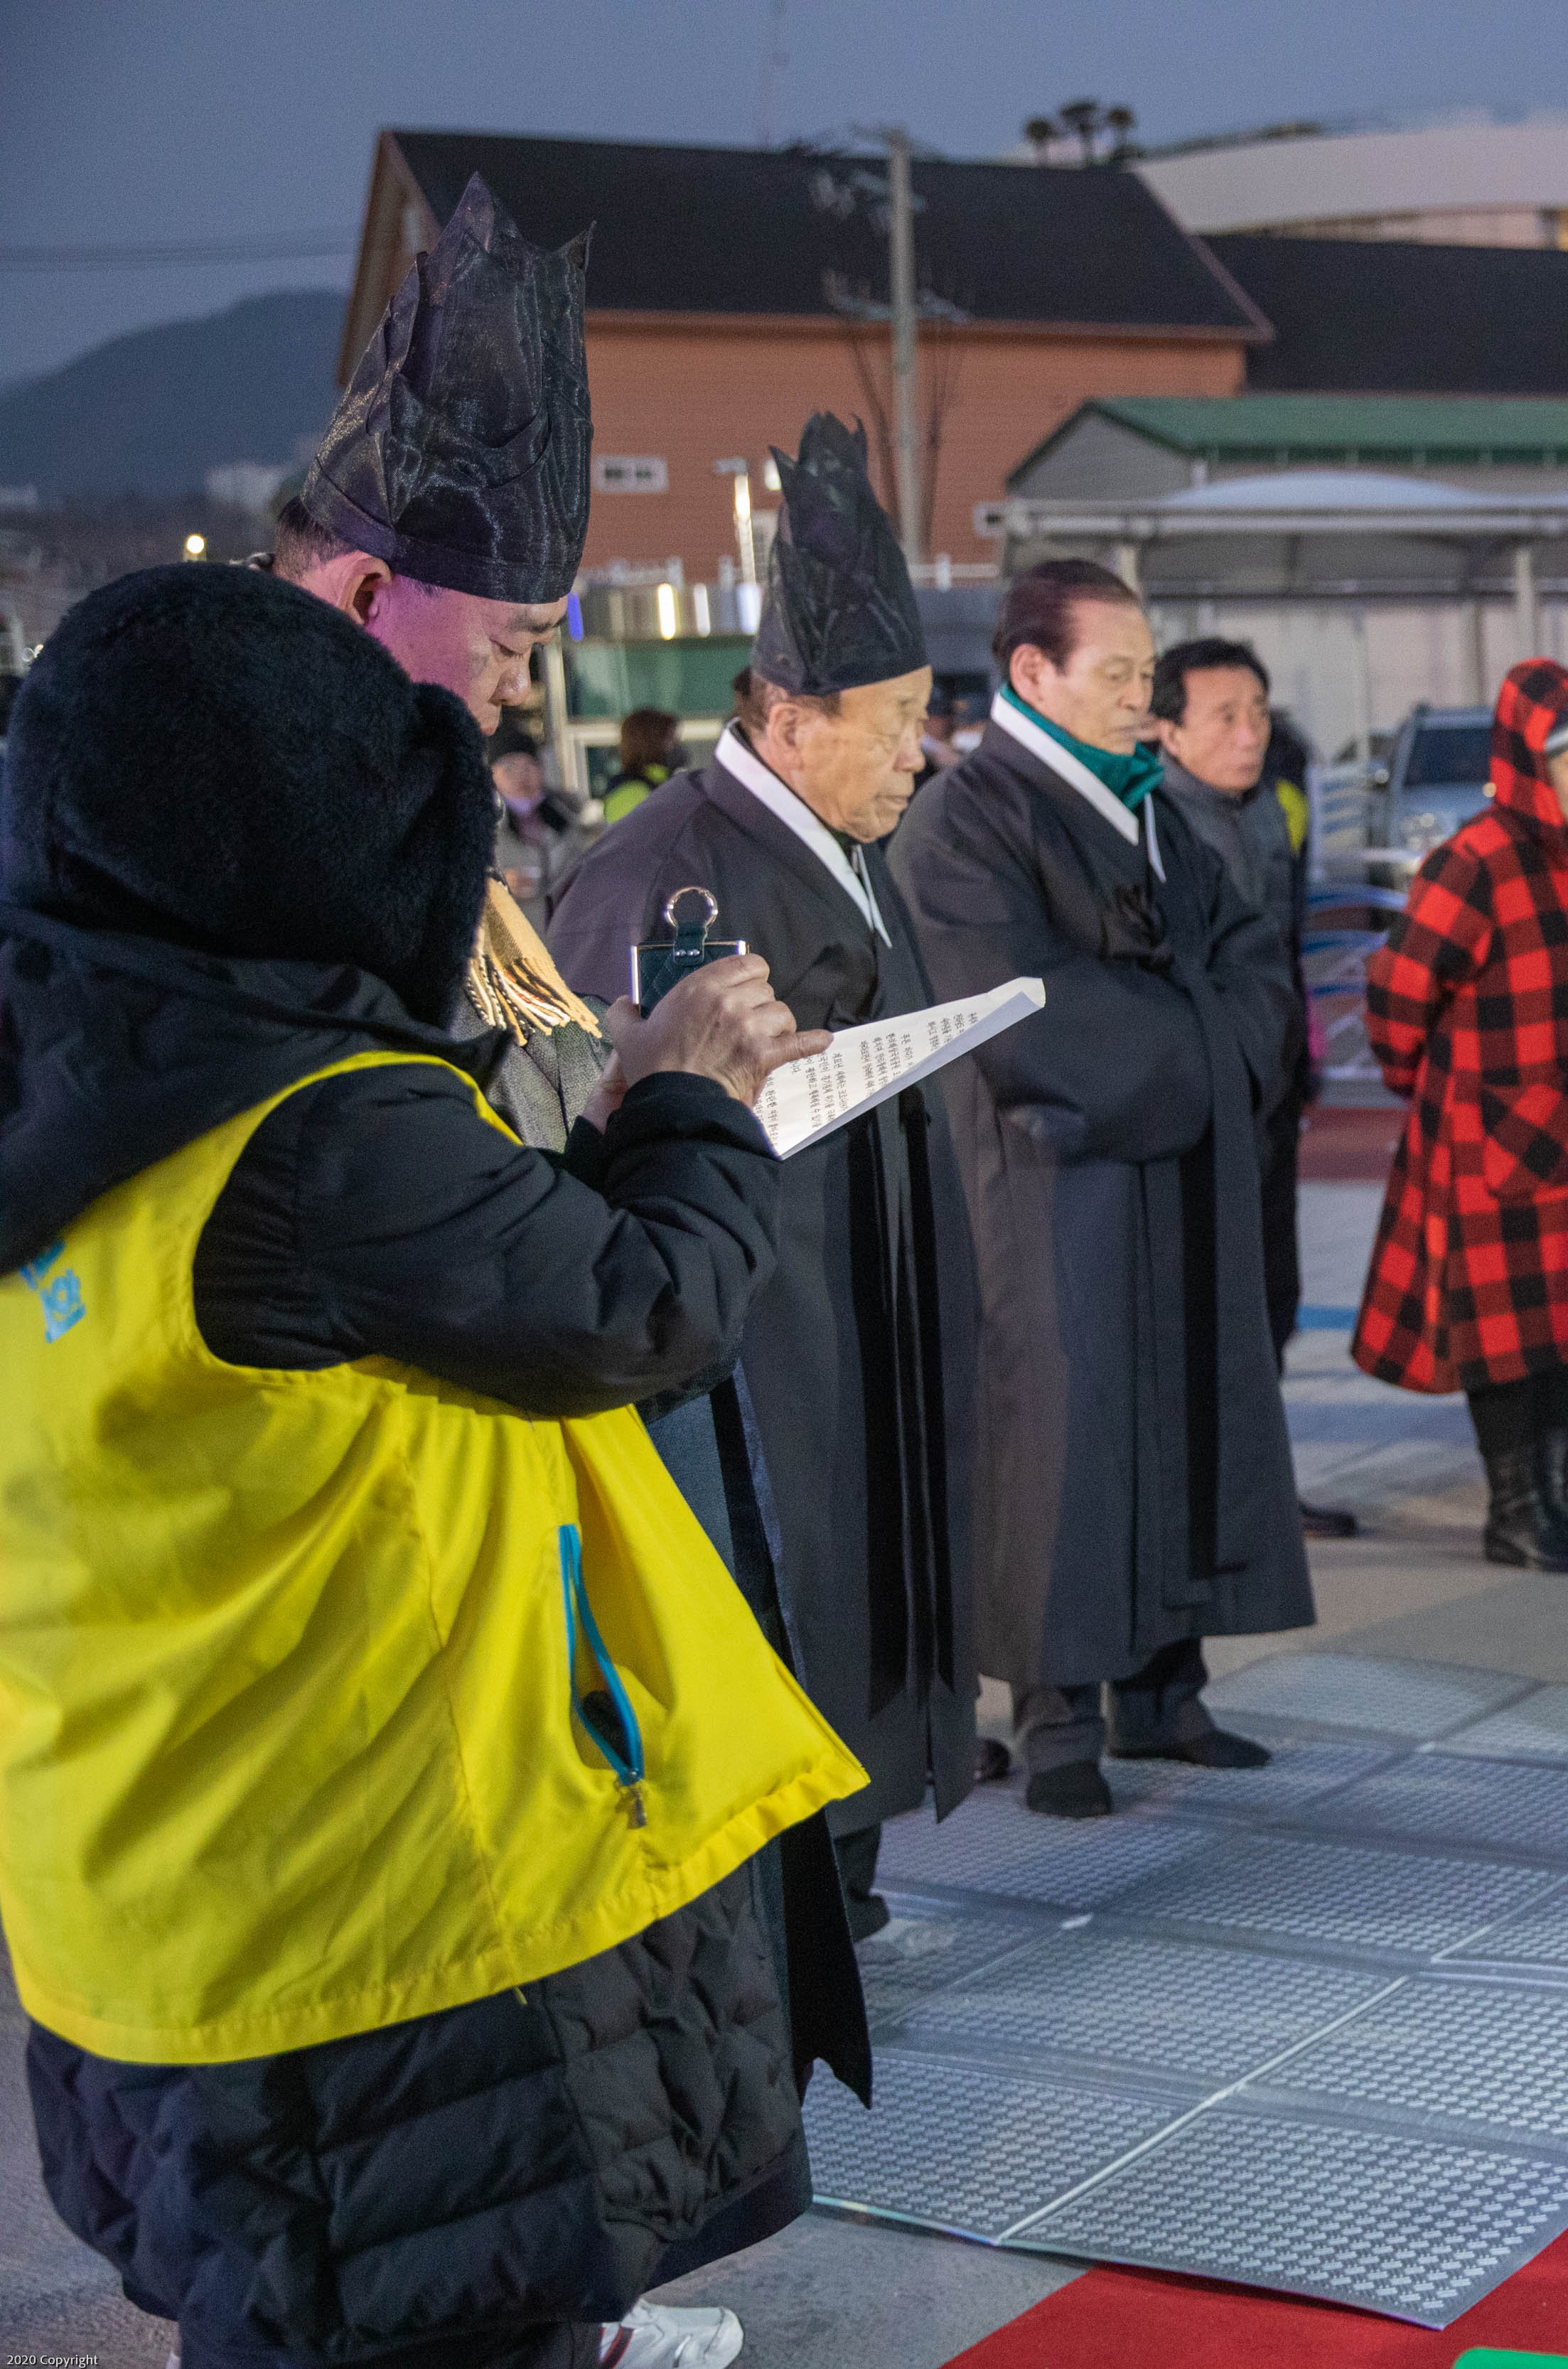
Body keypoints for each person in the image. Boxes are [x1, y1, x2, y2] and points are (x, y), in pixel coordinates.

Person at [0, 564, 859, 2369]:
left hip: (149, 1889)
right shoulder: (315, 1128)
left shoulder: (80, 1070)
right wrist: (692, 1098)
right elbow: (639, 1306)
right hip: (388, 1926)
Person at [549, 414, 984, 1939]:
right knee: (788, 1590)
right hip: (757, 1322)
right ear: (789, 721)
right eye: (896, 721)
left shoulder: (857, 844)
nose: (920, 749)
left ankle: (850, 1869)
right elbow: (604, 1118)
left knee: (870, 1578)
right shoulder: (659, 868)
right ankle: (795, 1904)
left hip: (862, 1299)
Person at [895, 559, 1312, 1820]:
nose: (1144, 696)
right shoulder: (964, 820)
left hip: (1173, 1171)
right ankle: (1058, 1714)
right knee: (1063, 1439)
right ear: (1034, 672)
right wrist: (1204, 1045)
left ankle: (1166, 1689)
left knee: (1186, 1407)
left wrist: (1209, 1041)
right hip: (1048, 1187)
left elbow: (1253, 961)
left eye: (1147, 671)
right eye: (1121, 673)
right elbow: (1023, 1015)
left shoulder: (1154, 813)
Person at [264, 174, 611, 1155]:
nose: (519, 687)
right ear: (368, 596)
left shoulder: (399, 794)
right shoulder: (234, 828)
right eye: (507, 644)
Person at [1354, 660, 1568, 1568]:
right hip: (1490, 1144)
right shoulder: (1477, 861)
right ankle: (1513, 1511)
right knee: (1503, 1337)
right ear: (1532, 768)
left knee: (1553, 1334)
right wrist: (1428, 1084)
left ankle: (1553, 1499)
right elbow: (1397, 990)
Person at [1149, 635, 1357, 1540]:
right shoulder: (1151, 826)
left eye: (1259, 714)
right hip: (1195, 1112)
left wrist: (1296, 1064)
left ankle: (1261, 1486)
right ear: (1167, 730)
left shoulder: (1270, 809)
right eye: (1225, 717)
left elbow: (1286, 951)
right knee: (1201, 1308)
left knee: (1272, 1297)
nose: (1248, 734)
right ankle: (1199, 1502)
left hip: (1269, 1101)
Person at [490, 715, 594, 922]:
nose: (521, 774)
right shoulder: (479, 825)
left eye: (529, 765)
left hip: (565, 929)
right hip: (511, 934)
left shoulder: (571, 816)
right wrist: (497, 886)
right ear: (491, 773)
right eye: (509, 767)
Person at [606, 705, 682, 820]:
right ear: (650, 743)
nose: (676, 746)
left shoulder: (666, 783)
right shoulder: (630, 792)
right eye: (670, 739)